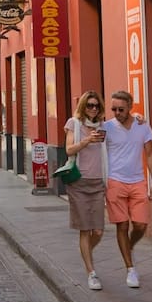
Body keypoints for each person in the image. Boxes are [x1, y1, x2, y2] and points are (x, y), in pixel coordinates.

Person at [103, 90, 152, 288]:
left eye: (121, 109)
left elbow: (150, 154)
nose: (117, 112)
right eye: (114, 109)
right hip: (115, 181)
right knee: (122, 226)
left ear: (130, 107)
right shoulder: (106, 127)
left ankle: (130, 246)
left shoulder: (142, 126)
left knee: (141, 225)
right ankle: (130, 269)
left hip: (138, 181)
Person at [63, 91, 107, 290]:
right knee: (85, 228)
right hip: (78, 183)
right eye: (89, 105)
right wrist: (87, 141)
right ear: (83, 106)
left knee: (98, 230)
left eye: (96, 105)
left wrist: (139, 119)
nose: (93, 109)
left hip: (98, 183)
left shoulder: (104, 126)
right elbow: (69, 150)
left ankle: (85, 251)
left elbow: (126, 123)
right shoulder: (74, 123)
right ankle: (92, 273)